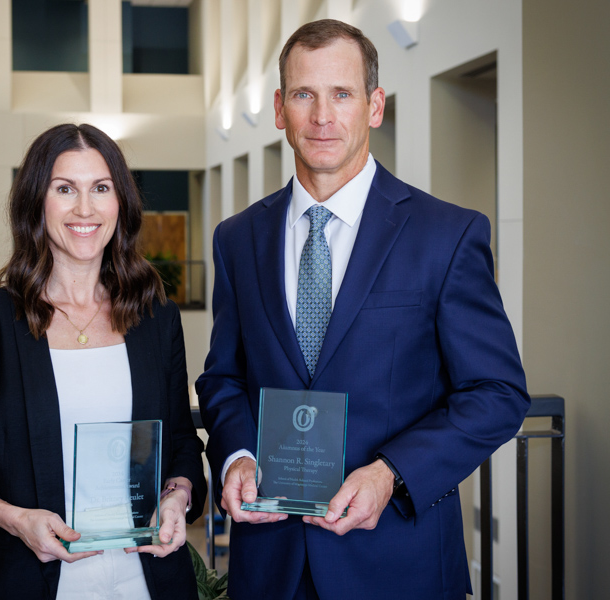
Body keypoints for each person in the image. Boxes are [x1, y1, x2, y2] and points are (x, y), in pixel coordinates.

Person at [196, 19, 530, 599]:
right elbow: (224, 377)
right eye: (304, 94)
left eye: (342, 94)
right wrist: (237, 458)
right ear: (280, 109)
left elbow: (497, 393)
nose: (322, 116)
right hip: (271, 566)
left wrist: (391, 474)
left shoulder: (446, 235)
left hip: (399, 561)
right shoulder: (237, 238)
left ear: (374, 106)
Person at [0, 123, 207, 599]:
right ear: (36, 203)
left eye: (101, 188)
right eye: (65, 189)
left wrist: (178, 495)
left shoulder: (156, 318)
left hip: (148, 579)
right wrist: (17, 520)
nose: (85, 208)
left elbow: (179, 441)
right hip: (32, 580)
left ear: (121, 203)